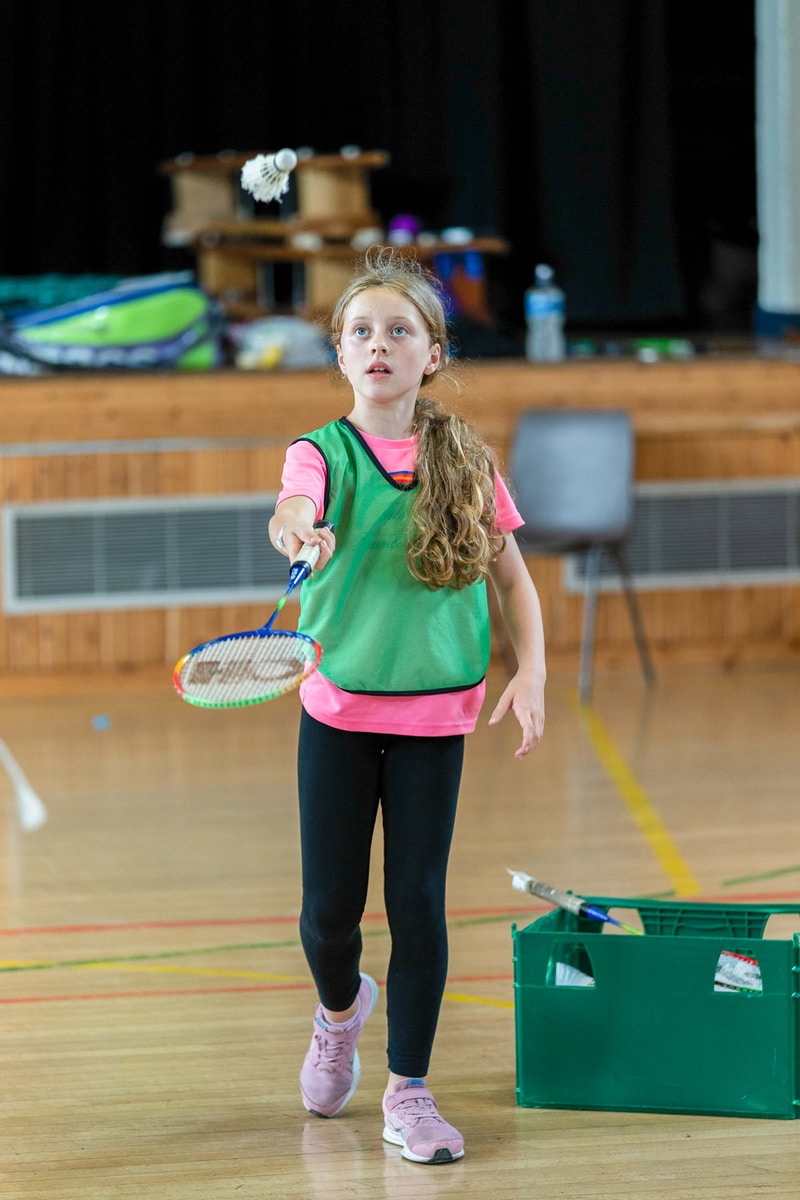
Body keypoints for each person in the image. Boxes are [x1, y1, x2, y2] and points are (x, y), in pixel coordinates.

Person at [268, 247, 546, 1165]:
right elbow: (291, 506)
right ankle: (340, 1014)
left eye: (399, 329)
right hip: (339, 710)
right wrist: (297, 528)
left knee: (418, 906)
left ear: (433, 353)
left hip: (435, 718)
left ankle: (411, 1092)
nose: (378, 343)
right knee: (326, 916)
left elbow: (514, 581)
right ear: (340, 356)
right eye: (360, 331)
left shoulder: (465, 461)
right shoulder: (322, 455)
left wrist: (532, 669)